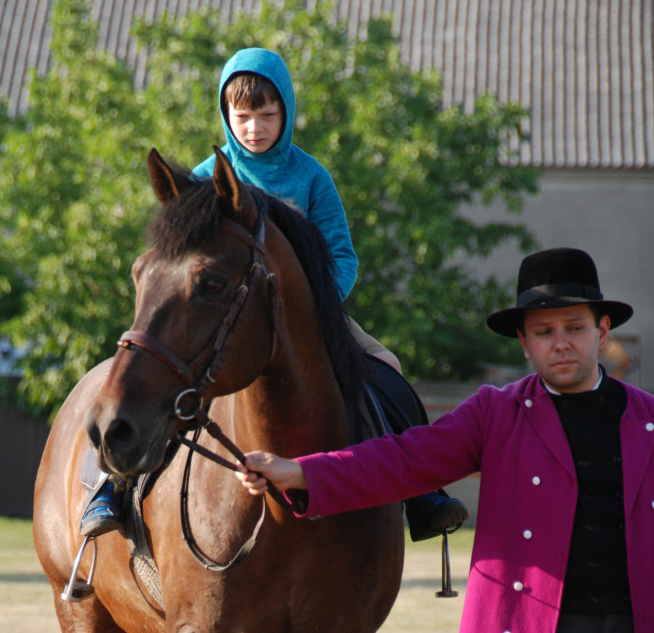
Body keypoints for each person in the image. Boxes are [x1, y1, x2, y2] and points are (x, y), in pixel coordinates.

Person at [236, 247, 654, 633]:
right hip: (529, 623)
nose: (562, 343)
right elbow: (403, 460)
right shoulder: (495, 413)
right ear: (525, 344)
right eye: (544, 332)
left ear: (604, 331)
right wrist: (301, 470)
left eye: (575, 327)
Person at [80, 48, 468, 540]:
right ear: (226, 116)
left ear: (286, 111)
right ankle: (111, 487)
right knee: (151, 383)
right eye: (242, 117)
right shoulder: (204, 178)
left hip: (310, 316)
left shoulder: (311, 176)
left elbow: (343, 257)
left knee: (388, 370)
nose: (254, 128)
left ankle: (422, 496)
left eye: (267, 115)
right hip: (222, 318)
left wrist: (316, 304)